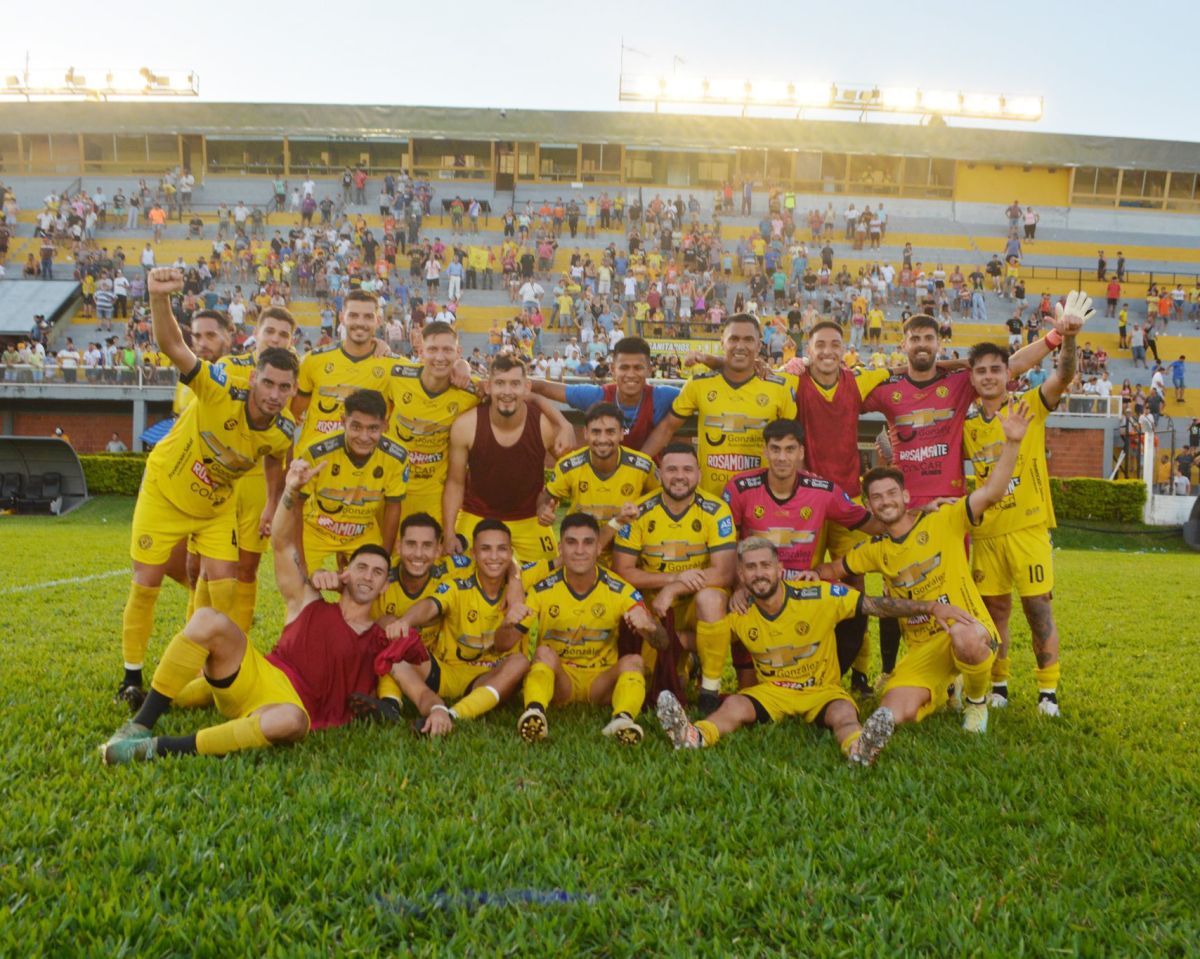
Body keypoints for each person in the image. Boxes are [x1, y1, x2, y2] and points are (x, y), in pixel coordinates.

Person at [99, 458, 428, 763]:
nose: (368, 576)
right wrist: (290, 490)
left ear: (386, 585)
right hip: (255, 677)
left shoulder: (381, 635)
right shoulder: (308, 600)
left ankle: (154, 749)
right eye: (362, 567)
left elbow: (402, 674)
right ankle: (140, 724)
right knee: (208, 619)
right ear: (345, 571)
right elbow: (283, 544)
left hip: (287, 708)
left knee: (292, 721)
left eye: (377, 572)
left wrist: (394, 706)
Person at [114, 268, 298, 711]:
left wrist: (272, 503)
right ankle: (131, 676)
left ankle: (211, 665)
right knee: (147, 583)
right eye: (268, 383)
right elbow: (173, 347)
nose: (274, 394)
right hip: (165, 493)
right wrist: (159, 298)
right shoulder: (218, 388)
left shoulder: (283, 431)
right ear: (253, 378)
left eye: (284, 388)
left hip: (216, 507)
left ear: (294, 390)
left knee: (226, 587)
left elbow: (275, 458)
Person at [816, 401, 1033, 735]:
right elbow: (831, 572)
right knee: (890, 711)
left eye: (891, 493)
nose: (885, 501)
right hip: (924, 650)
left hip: (969, 629)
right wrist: (800, 576)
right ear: (869, 506)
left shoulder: (943, 520)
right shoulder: (875, 551)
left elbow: (992, 491)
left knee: (966, 638)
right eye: (877, 497)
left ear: (905, 497)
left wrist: (1013, 443)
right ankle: (947, 686)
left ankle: (976, 702)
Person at [656, 537, 960, 762]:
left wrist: (930, 607)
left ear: (779, 568)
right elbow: (706, 641)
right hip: (773, 691)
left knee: (843, 713)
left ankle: (859, 747)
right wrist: (654, 631)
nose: (759, 573)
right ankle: (694, 735)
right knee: (734, 706)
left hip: (821, 689)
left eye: (765, 565)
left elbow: (875, 605)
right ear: (742, 575)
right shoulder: (740, 612)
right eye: (751, 568)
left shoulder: (817, 595)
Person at [963, 294, 1088, 717]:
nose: (988, 376)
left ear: (1008, 374)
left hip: (1029, 529)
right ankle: (999, 683)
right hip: (987, 532)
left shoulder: (1029, 405)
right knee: (995, 611)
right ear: (973, 378)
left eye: (996, 369)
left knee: (1038, 609)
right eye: (980, 371)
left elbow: (1064, 375)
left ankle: (1047, 691)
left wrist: (1066, 339)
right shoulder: (965, 425)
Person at [516, 513, 666, 745]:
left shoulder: (620, 589)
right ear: (560, 548)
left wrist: (648, 625)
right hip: (560, 682)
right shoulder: (541, 589)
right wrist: (511, 622)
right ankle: (535, 713)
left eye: (587, 542)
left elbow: (662, 643)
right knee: (543, 654)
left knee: (634, 661)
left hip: (601, 683)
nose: (579, 550)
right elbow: (507, 641)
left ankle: (622, 720)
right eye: (571, 542)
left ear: (598, 548)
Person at [612, 443, 736, 709]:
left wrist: (674, 589)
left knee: (712, 598)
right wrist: (670, 580)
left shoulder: (716, 509)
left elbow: (724, 572)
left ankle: (709, 691)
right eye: (672, 469)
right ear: (659, 474)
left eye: (687, 469)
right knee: (654, 683)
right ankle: (690, 660)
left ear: (699, 475)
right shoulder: (640, 511)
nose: (680, 476)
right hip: (656, 609)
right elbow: (623, 571)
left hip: (693, 605)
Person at [383, 520, 532, 735]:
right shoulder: (457, 583)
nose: (493, 557)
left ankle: (453, 714)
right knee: (393, 640)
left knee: (520, 663)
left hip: (489, 676)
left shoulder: (527, 578)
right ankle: (390, 704)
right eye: (485, 549)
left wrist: (516, 575)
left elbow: (562, 560)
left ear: (511, 553)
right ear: (473, 553)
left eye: (502, 549)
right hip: (446, 672)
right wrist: (404, 622)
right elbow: (430, 605)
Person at [642, 315, 797, 495]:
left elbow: (793, 444)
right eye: (733, 339)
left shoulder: (781, 388)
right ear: (722, 343)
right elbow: (667, 428)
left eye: (748, 339)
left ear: (759, 346)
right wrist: (638, 465)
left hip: (759, 502)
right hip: (709, 501)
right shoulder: (698, 385)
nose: (740, 346)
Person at [443, 354, 573, 563]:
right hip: (476, 515)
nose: (507, 392)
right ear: (487, 386)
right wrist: (449, 533)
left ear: (527, 387)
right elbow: (455, 482)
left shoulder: (545, 425)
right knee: (455, 576)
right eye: (500, 383)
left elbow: (570, 473)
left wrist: (549, 500)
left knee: (549, 583)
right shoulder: (466, 425)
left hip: (529, 520)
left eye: (515, 384)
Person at [295, 388, 410, 574]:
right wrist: (299, 561)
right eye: (356, 427)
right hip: (316, 530)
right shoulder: (316, 452)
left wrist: (383, 558)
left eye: (373, 428)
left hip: (362, 533)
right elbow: (295, 505)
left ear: (385, 426)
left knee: (371, 587)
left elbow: (393, 506)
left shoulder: (397, 457)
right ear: (343, 422)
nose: (364, 437)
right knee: (301, 591)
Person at [384, 320, 479, 525]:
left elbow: (509, 392)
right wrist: (378, 343)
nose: (439, 357)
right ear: (420, 350)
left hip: (434, 494)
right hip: (388, 487)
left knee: (430, 554)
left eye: (447, 350)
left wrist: (465, 366)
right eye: (432, 349)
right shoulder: (396, 376)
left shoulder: (471, 392)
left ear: (458, 352)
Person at [538, 402, 659, 557]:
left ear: (622, 433)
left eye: (610, 432)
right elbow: (547, 497)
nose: (603, 439)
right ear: (586, 433)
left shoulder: (643, 466)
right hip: (581, 553)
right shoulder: (568, 465)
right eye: (596, 432)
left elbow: (661, 500)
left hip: (626, 554)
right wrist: (543, 510)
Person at [529, 336, 680, 450]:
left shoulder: (663, 396)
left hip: (648, 482)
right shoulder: (598, 396)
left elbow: (697, 392)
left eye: (638, 368)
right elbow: (544, 388)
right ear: (613, 369)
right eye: (624, 368)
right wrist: (511, 382)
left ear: (649, 369)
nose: (631, 374)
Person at [291, 290, 395, 451]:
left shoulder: (394, 368)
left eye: (368, 317)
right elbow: (291, 419)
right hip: (313, 467)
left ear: (378, 320)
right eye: (353, 315)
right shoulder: (313, 360)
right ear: (341, 317)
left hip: (367, 469)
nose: (360, 322)